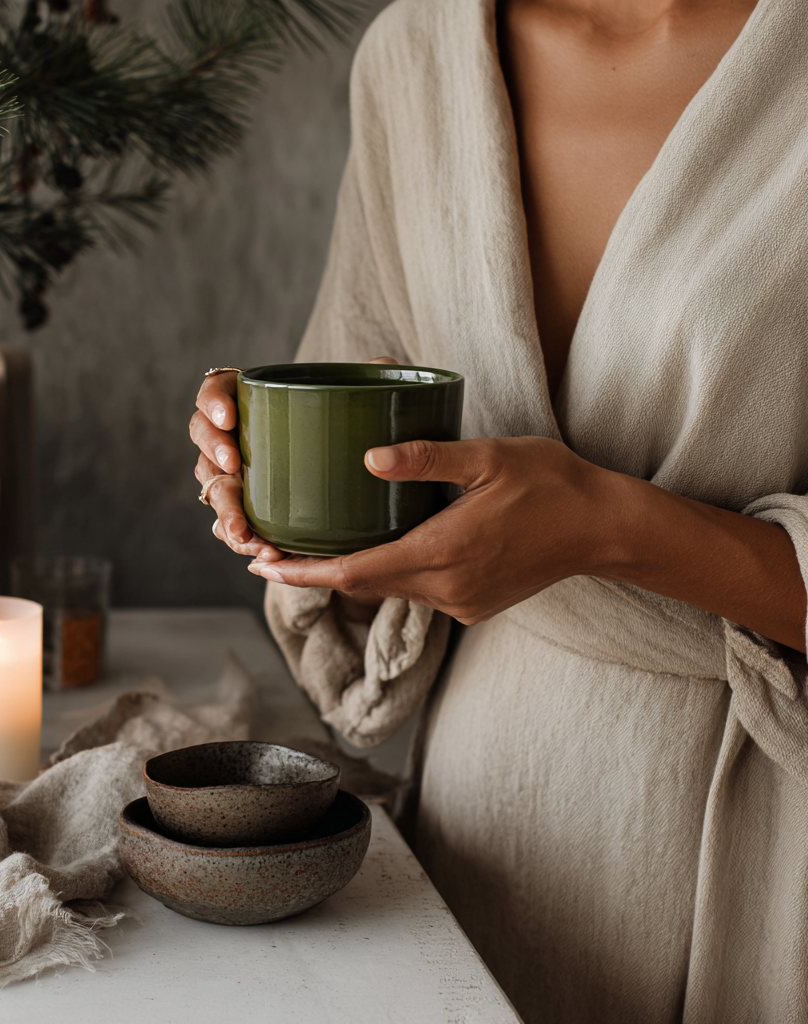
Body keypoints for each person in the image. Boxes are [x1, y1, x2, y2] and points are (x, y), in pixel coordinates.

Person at [190, 0, 807, 1020]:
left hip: (768, 841)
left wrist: (607, 528)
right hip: (490, 828)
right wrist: (275, 481)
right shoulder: (417, 55)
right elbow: (380, 483)